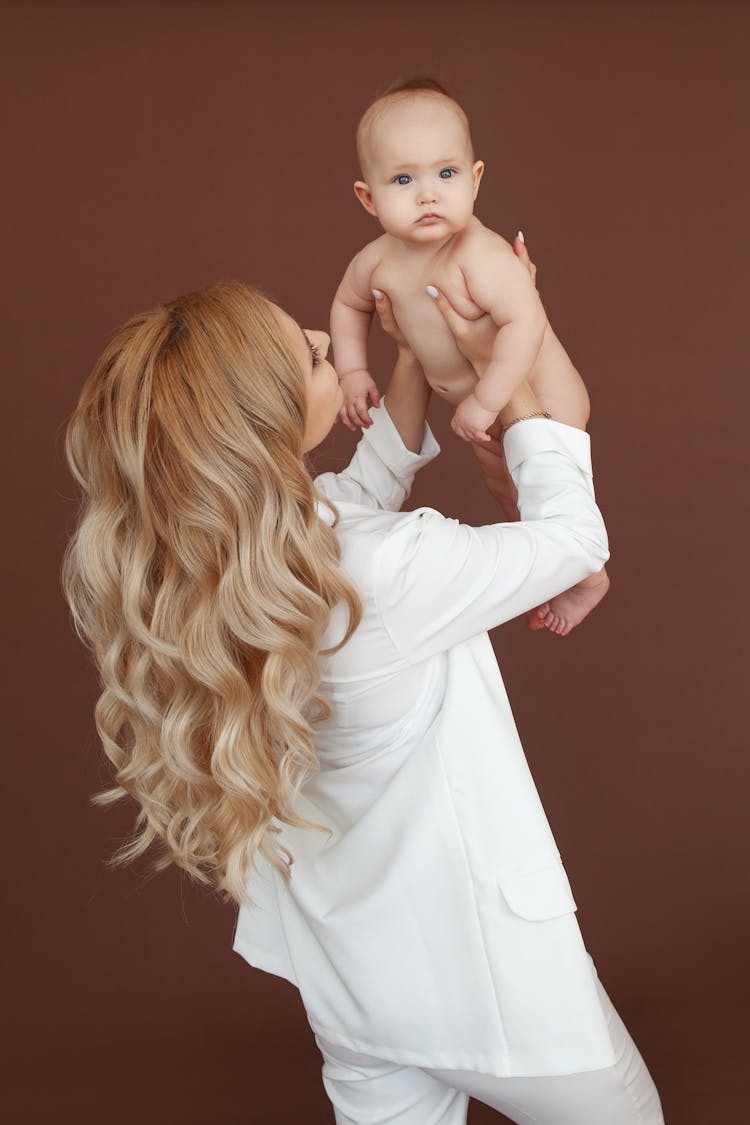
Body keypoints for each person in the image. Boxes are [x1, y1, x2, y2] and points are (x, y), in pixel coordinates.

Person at [62, 238, 664, 1124]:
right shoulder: (384, 568)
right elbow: (575, 539)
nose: (323, 333)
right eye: (310, 354)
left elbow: (366, 482)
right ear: (264, 422)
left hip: (358, 982)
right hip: (496, 992)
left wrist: (419, 347)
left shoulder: (229, 573)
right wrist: (510, 353)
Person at [331, 77, 609, 636]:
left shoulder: (479, 252)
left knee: (545, 480)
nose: (428, 194)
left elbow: (524, 323)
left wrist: (489, 398)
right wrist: (353, 370)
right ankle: (563, 574)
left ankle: (589, 574)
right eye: (404, 179)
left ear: (475, 180)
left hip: (537, 398)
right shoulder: (376, 260)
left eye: (446, 174)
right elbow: (347, 304)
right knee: (509, 492)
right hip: (480, 415)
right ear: (368, 197)